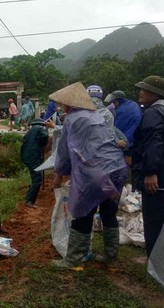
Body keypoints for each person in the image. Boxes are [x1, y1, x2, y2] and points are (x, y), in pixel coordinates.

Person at [50, 82, 128, 270]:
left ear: (68, 105)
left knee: (83, 212)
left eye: (62, 105)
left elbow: (64, 152)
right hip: (117, 167)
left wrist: (59, 174)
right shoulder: (97, 116)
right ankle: (111, 258)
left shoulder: (72, 119)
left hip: (96, 173)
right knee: (109, 214)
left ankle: (73, 259)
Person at [132, 75, 164, 258]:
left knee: (155, 219)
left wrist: (150, 172)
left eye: (144, 89)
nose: (140, 92)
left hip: (158, 177)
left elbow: (153, 142)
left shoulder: (154, 112)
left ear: (155, 93)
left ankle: (155, 262)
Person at [104, 90, 142, 160]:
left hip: (128, 142)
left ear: (118, 100)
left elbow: (115, 128)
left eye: (113, 102)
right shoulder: (133, 104)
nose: (113, 105)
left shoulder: (121, 111)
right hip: (138, 139)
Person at [20, 118, 49, 209]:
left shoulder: (30, 131)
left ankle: (30, 194)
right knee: (37, 180)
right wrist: (44, 143)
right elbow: (45, 137)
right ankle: (29, 200)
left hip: (26, 156)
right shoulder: (41, 129)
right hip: (33, 157)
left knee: (35, 177)